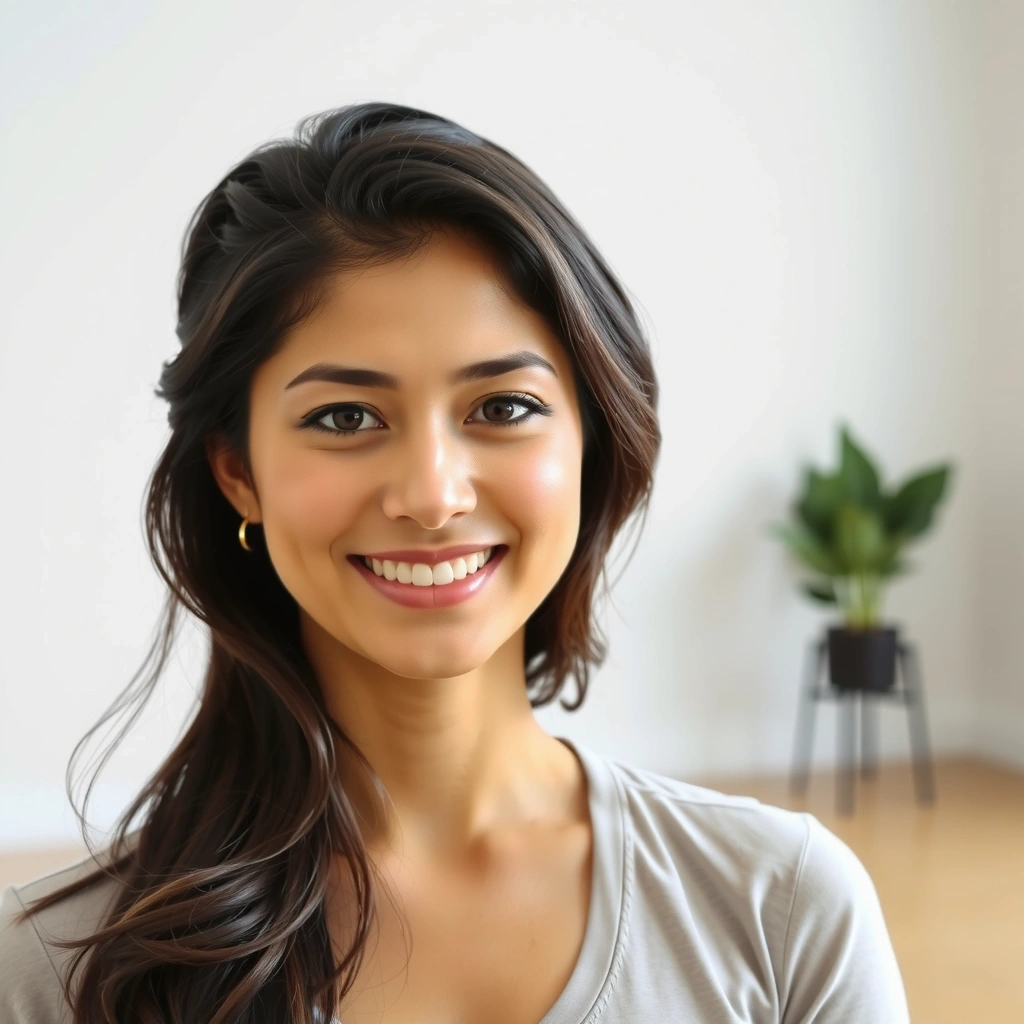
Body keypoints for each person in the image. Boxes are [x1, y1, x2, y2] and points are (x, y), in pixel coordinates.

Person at [0, 102, 910, 1023]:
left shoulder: (784, 914)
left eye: (503, 408)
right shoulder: (54, 973)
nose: (433, 496)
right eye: (345, 418)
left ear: (590, 443)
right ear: (239, 474)